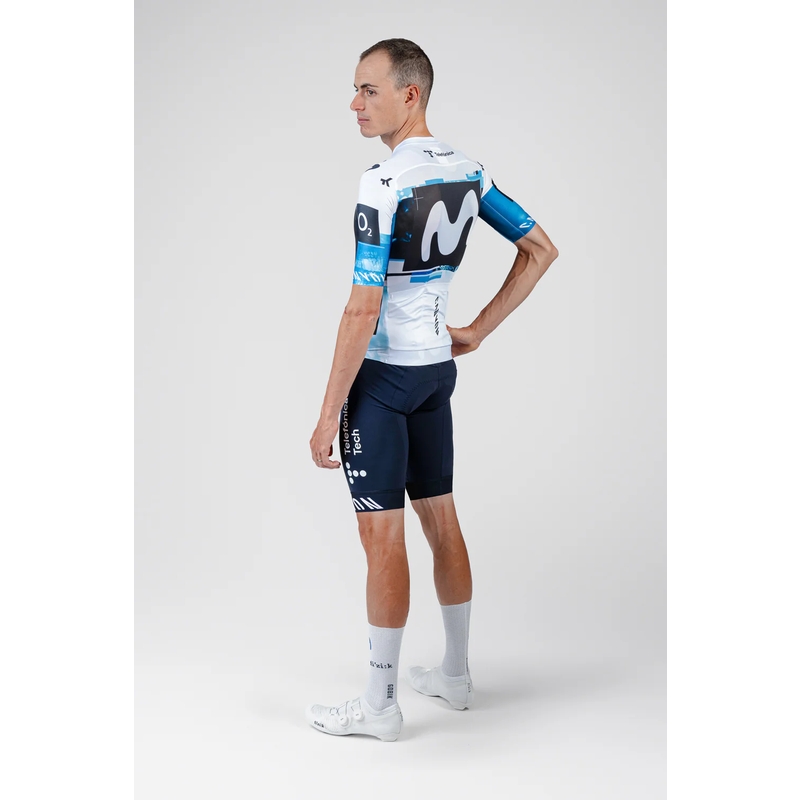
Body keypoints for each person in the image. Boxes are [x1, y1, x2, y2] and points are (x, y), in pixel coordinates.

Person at [307, 38, 558, 742]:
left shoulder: (383, 181)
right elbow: (541, 248)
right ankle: (454, 675)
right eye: (356, 90)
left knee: (382, 536)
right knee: (441, 520)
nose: (355, 104)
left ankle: (379, 706)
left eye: (368, 90)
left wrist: (328, 413)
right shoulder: (469, 170)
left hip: (385, 378)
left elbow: (361, 308)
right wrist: (475, 330)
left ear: (409, 94)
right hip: (436, 373)